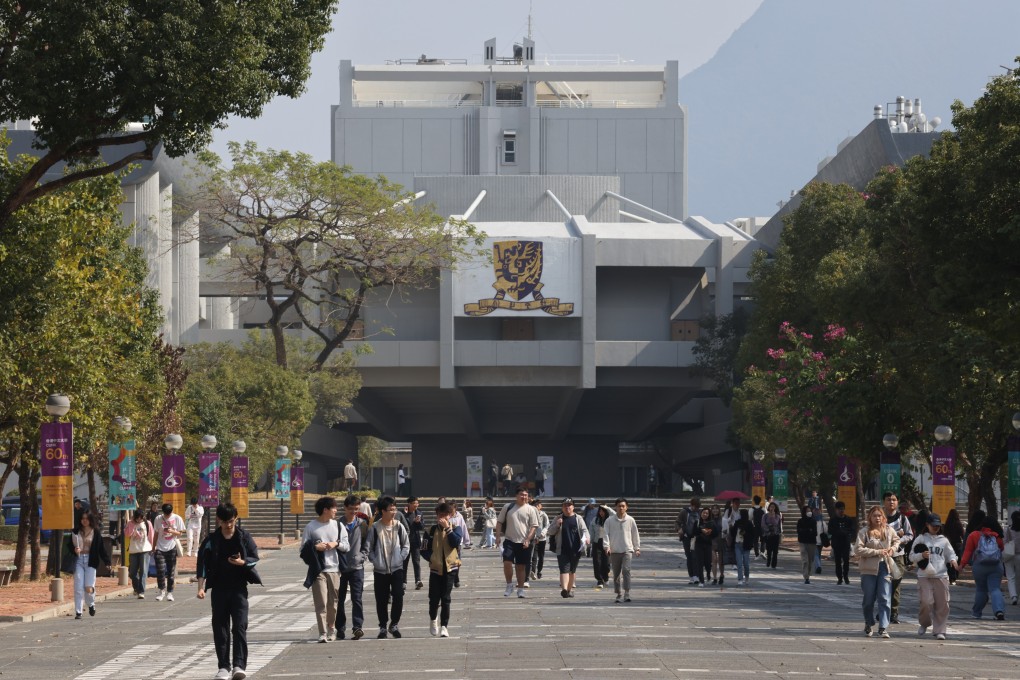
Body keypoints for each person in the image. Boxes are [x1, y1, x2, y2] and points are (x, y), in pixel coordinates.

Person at [197, 502, 261, 680]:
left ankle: (239, 665)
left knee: (240, 626)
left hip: (239, 589)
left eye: (231, 521)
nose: (228, 525)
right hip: (218, 589)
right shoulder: (211, 540)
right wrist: (200, 587)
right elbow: (202, 564)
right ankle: (223, 667)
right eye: (224, 522)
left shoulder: (243, 536)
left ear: (236, 519)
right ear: (219, 520)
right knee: (220, 628)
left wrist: (243, 562)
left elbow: (254, 557)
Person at [301, 496, 349, 643]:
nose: (336, 510)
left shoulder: (338, 526)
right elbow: (303, 549)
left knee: (333, 602)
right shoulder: (311, 527)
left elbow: (347, 546)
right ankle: (322, 632)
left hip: (334, 569)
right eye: (334, 508)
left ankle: (331, 628)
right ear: (325, 510)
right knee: (321, 601)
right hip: (318, 570)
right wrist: (316, 547)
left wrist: (336, 543)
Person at [366, 495, 410, 638]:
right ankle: (383, 627)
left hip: (397, 568)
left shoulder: (399, 526)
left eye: (394, 509)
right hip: (380, 570)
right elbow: (369, 547)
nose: (394, 512)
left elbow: (406, 545)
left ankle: (394, 624)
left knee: (398, 596)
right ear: (382, 511)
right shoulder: (375, 527)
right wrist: (375, 560)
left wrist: (400, 558)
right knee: (381, 599)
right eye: (391, 509)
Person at [909, 513, 958, 640]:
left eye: (937, 525)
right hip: (924, 575)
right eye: (933, 525)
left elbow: (951, 554)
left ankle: (940, 630)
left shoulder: (944, 540)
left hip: (941, 575)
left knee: (943, 604)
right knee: (926, 601)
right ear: (927, 525)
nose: (935, 528)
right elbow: (911, 556)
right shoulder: (920, 538)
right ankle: (925, 623)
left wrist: (953, 560)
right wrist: (921, 556)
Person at [420, 501, 462, 637]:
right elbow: (423, 549)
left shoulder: (456, 528)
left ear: (450, 515)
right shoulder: (431, 530)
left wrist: (448, 529)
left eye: (446, 515)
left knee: (446, 598)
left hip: (451, 569)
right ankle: (433, 620)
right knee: (433, 598)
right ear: (437, 515)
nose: (443, 518)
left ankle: (444, 626)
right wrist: (432, 559)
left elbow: (455, 542)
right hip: (435, 569)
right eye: (440, 515)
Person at [855, 505, 898, 638]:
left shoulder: (889, 530)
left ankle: (883, 626)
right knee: (868, 599)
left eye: (879, 515)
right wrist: (877, 552)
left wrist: (893, 549)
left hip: (885, 567)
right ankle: (868, 622)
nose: (877, 518)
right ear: (870, 517)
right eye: (874, 515)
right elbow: (858, 550)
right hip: (868, 569)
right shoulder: (864, 532)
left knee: (884, 597)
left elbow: (897, 541)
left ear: (883, 517)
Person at [495, 486, 540, 598]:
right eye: (521, 494)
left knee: (521, 567)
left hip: (524, 542)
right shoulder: (508, 507)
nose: (523, 497)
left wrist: (528, 539)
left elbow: (534, 526)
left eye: (525, 495)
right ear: (516, 495)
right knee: (507, 563)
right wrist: (497, 536)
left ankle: (520, 589)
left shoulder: (531, 509)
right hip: (509, 540)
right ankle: (509, 585)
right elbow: (499, 522)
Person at [959, 516, 1006, 620]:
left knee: (981, 590)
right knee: (995, 589)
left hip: (979, 566)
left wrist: (962, 564)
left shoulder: (974, 535)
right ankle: (999, 610)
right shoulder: (997, 536)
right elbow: (1001, 548)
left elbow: (968, 552)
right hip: (995, 566)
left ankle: (976, 613)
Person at [336, 495, 369, 641]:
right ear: (344, 508)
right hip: (340, 567)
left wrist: (362, 557)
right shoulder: (337, 525)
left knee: (357, 598)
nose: (353, 512)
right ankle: (340, 628)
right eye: (350, 509)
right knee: (340, 599)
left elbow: (366, 544)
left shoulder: (362, 524)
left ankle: (357, 627)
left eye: (356, 509)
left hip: (357, 567)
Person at [546, 497, 589, 598]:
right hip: (562, 549)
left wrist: (587, 538)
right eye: (565, 505)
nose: (567, 507)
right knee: (564, 569)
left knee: (572, 571)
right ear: (562, 507)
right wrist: (557, 525)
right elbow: (550, 531)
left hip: (576, 549)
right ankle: (564, 589)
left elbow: (584, 530)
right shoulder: (558, 518)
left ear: (573, 507)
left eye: (569, 505)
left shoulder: (578, 518)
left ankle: (569, 590)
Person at [71, 509, 109, 619]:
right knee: (78, 587)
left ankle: (91, 604)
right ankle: (78, 612)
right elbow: (69, 546)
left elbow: (101, 548)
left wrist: (107, 562)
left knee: (88, 587)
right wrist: (74, 549)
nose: (84, 521)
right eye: (82, 519)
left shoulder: (95, 532)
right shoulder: (76, 531)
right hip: (78, 560)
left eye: (86, 519)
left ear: (90, 519)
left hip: (90, 561)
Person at [883, 492, 914, 624]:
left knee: (896, 582)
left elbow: (910, 535)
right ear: (884, 502)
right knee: (883, 584)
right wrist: (895, 534)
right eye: (889, 499)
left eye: (894, 500)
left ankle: (893, 612)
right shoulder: (879, 517)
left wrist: (899, 540)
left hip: (898, 555)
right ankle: (883, 611)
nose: (891, 502)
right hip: (882, 555)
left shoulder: (902, 518)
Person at [604, 497, 641, 603]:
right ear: (615, 507)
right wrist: (607, 547)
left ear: (627, 507)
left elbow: (635, 534)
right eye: (619, 506)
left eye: (623, 506)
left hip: (627, 550)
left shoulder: (630, 520)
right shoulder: (609, 520)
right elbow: (606, 534)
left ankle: (627, 593)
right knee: (616, 574)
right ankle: (618, 593)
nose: (621, 508)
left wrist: (637, 548)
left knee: (626, 570)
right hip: (615, 551)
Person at [153, 503, 185, 602]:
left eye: (168, 514)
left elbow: (181, 533)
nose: (167, 516)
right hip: (160, 548)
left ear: (171, 511)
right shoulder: (158, 519)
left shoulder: (177, 518)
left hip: (171, 547)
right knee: (160, 571)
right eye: (165, 514)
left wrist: (172, 531)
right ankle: (161, 591)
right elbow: (156, 533)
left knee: (171, 572)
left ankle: (170, 592)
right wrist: (153, 546)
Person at [127, 508, 154, 598]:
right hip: (134, 550)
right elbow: (127, 534)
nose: (139, 519)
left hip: (145, 550)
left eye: (141, 518)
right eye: (137, 518)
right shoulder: (130, 523)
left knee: (143, 571)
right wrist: (131, 524)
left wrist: (153, 548)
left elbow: (151, 536)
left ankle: (141, 591)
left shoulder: (147, 523)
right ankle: (136, 588)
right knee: (132, 573)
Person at [827, 501, 857, 584]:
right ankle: (839, 577)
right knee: (837, 561)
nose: (841, 511)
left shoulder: (848, 519)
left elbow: (852, 530)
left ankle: (846, 576)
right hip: (836, 543)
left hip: (845, 543)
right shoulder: (833, 520)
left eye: (843, 509)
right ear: (836, 510)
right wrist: (838, 532)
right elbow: (830, 530)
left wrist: (846, 532)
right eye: (839, 509)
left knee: (846, 561)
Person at [400, 496, 425, 590]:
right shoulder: (403, 513)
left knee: (416, 562)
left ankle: (418, 581)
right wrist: (405, 515)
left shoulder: (419, 513)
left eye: (417, 503)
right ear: (409, 504)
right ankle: (403, 582)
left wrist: (418, 522)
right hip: (405, 542)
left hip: (415, 541)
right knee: (404, 563)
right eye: (414, 503)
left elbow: (422, 527)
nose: (416, 505)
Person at [676, 497, 702, 584]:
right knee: (689, 557)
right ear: (691, 505)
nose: (695, 508)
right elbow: (677, 522)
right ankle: (691, 576)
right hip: (686, 537)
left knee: (695, 556)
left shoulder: (699, 512)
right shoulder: (684, 512)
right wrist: (679, 529)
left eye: (697, 507)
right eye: (694, 506)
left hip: (696, 537)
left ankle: (696, 576)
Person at [692, 507, 716, 586]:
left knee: (708, 563)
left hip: (708, 544)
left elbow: (716, 533)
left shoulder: (711, 523)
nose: (705, 514)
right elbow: (693, 532)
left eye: (707, 513)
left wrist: (710, 531)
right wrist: (701, 529)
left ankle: (708, 574)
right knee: (699, 563)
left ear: (709, 515)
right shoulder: (697, 522)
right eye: (703, 513)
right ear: (701, 513)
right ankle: (701, 581)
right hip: (699, 544)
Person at [589, 505, 611, 589]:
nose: (601, 513)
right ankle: (599, 580)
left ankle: (606, 577)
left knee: (606, 562)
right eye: (600, 511)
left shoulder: (610, 520)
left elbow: (615, 513)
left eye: (603, 511)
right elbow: (591, 530)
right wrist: (590, 542)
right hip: (596, 542)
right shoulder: (595, 520)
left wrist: (608, 507)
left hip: (607, 543)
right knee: (597, 562)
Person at [943, 509, 965, 585]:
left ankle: (950, 576)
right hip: (957, 544)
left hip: (949, 544)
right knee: (957, 560)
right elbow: (962, 534)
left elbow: (944, 534)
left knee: (949, 560)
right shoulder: (958, 523)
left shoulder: (947, 523)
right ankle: (955, 576)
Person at [732, 508, 754, 586]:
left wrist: (745, 533)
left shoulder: (749, 523)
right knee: (739, 563)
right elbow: (733, 533)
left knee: (746, 563)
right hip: (737, 544)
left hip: (746, 545)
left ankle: (747, 576)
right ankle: (740, 579)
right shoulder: (737, 523)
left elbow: (752, 535)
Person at [529, 499, 549, 582]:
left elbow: (547, 525)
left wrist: (542, 534)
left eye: (538, 505)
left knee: (541, 556)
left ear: (541, 507)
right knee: (534, 556)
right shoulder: (531, 514)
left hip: (542, 538)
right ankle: (533, 571)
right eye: (535, 505)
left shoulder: (543, 515)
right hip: (534, 538)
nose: (537, 507)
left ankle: (539, 571)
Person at [796, 505, 817, 584]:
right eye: (807, 511)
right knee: (805, 560)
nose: (809, 512)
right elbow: (799, 531)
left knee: (810, 560)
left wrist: (807, 531)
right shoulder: (800, 521)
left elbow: (815, 532)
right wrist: (808, 530)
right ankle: (806, 577)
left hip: (812, 542)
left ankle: (808, 573)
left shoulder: (813, 521)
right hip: (802, 542)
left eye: (810, 511)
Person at [1004, 510, 1020, 606]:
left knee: (1010, 577)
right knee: (1018, 577)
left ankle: (1013, 596)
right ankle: (1017, 595)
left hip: (1009, 555)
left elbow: (1005, 541)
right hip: (1019, 556)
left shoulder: (1008, 529)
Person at [762, 502, 783, 569]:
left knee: (775, 550)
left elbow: (779, 525)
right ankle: (768, 560)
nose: (772, 508)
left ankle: (774, 564)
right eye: (771, 506)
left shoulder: (778, 516)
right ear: (769, 507)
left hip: (776, 534)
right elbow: (763, 524)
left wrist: (780, 534)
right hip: (768, 535)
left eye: (773, 507)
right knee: (769, 549)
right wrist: (768, 530)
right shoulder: (765, 516)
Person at [709, 504, 725, 585]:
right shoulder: (709, 519)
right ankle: (715, 578)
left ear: (719, 510)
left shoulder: (722, 519)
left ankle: (721, 575)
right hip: (712, 541)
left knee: (721, 560)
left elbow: (725, 529)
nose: (715, 510)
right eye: (713, 509)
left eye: (716, 509)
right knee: (714, 560)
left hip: (720, 540)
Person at [812, 505, 826, 574]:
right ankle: (818, 566)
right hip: (821, 540)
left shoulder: (812, 522)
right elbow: (826, 530)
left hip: (814, 540)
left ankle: (818, 566)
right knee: (819, 554)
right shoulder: (823, 522)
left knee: (816, 554)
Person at [751, 495, 766, 559]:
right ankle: (762, 551)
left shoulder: (751, 509)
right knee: (763, 540)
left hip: (755, 527)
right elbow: (765, 518)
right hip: (762, 527)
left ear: (754, 501)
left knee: (755, 541)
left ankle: (756, 554)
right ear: (760, 501)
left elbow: (750, 518)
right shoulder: (763, 509)